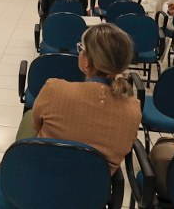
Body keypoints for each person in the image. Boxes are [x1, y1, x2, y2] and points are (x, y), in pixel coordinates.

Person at [16, 23, 141, 175]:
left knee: (30, 116)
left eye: (81, 49)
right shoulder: (133, 110)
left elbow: (36, 124)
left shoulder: (54, 89)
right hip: (91, 193)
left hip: (41, 178)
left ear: (87, 61)